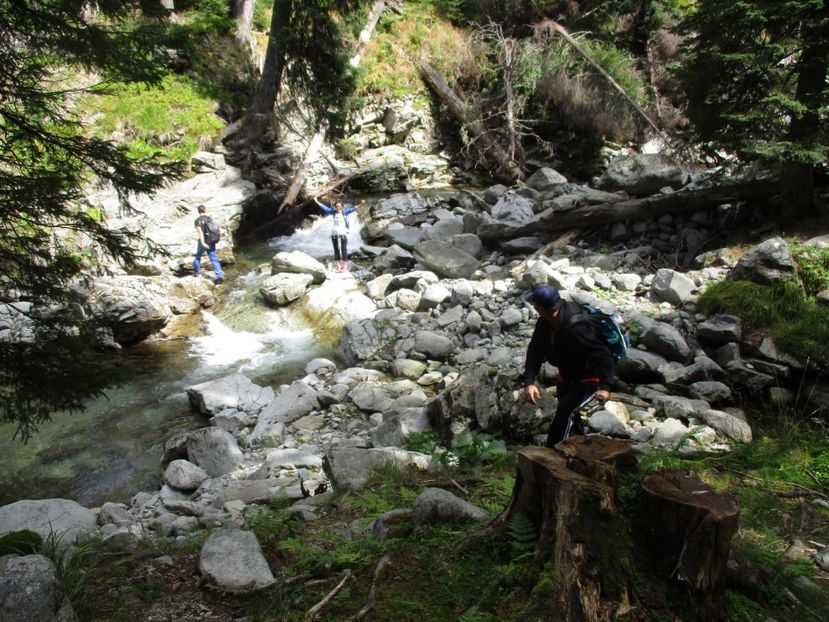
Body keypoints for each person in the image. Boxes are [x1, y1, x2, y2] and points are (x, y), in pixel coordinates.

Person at [521, 285, 615, 448]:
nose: (533, 307)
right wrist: (529, 381)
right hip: (567, 377)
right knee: (571, 416)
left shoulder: (577, 326)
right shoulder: (545, 322)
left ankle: (552, 454)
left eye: (534, 304)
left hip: (589, 379)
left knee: (565, 412)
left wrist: (605, 386)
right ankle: (582, 453)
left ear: (540, 308)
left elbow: (604, 355)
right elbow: (535, 349)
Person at [313, 195, 364, 272]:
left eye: (339, 206)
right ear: (335, 207)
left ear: (342, 207)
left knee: (343, 249)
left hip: (343, 233)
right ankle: (338, 265)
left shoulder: (344, 212)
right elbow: (323, 207)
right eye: (336, 206)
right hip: (334, 233)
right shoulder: (332, 212)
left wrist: (361, 204)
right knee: (336, 249)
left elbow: (353, 208)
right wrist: (316, 201)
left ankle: (344, 265)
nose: (338, 208)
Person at [193, 204, 224, 284]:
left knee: (198, 256)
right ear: (205, 210)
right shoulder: (209, 219)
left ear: (198, 211)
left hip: (203, 242)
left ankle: (196, 271)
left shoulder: (197, 221)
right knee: (214, 259)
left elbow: (200, 231)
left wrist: (202, 242)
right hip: (210, 241)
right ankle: (219, 276)